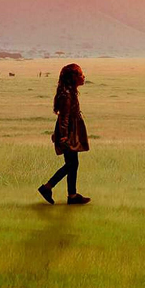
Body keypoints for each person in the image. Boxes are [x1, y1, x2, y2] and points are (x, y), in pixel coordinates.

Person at [38, 63, 91, 205]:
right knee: (71, 163)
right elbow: (64, 117)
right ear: (72, 78)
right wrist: (64, 136)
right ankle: (48, 187)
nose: (83, 76)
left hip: (70, 130)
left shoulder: (68, 92)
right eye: (80, 74)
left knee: (72, 163)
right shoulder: (66, 95)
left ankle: (72, 195)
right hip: (69, 132)